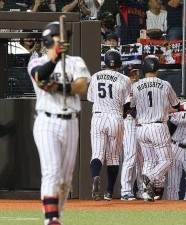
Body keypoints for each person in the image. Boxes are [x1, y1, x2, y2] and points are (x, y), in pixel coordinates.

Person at [27, 21, 91, 225]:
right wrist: (54, 58)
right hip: (46, 120)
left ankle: (57, 216)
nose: (63, 41)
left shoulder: (75, 61)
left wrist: (59, 87)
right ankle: (51, 219)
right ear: (48, 40)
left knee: (65, 181)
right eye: (57, 38)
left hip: (70, 121)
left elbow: (82, 87)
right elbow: (40, 77)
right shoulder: (37, 61)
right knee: (51, 171)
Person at [130, 55, 186, 202]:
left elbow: (130, 108)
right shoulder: (165, 84)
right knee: (168, 161)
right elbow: (176, 105)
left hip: (141, 128)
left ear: (144, 68)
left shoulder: (135, 85)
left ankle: (145, 193)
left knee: (149, 161)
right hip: (158, 126)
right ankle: (150, 177)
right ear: (157, 69)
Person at [87, 50, 131, 201]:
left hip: (98, 117)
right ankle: (109, 191)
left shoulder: (94, 77)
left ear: (105, 63)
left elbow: (91, 98)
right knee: (113, 157)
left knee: (97, 155)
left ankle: (96, 177)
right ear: (119, 63)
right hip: (115, 118)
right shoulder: (125, 79)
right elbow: (129, 104)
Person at [120, 68, 144, 201]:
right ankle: (126, 190)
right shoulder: (124, 89)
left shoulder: (140, 88)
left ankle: (141, 189)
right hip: (129, 122)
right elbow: (128, 109)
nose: (135, 76)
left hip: (142, 123)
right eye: (131, 74)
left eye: (136, 73)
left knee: (142, 158)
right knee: (131, 155)